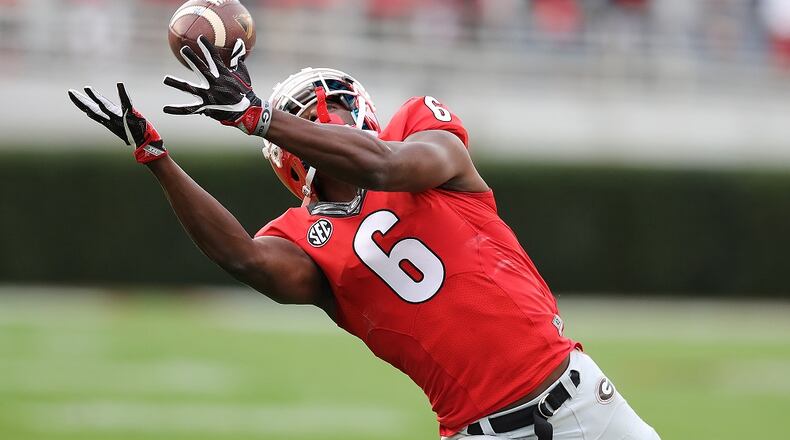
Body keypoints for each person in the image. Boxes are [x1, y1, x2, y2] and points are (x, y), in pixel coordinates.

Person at [67, 36, 659, 440]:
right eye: (310, 116)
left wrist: (260, 117)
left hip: (586, 399)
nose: (329, 117)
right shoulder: (303, 238)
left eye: (333, 105)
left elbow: (383, 165)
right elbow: (244, 258)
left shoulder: (419, 135)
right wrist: (158, 159)